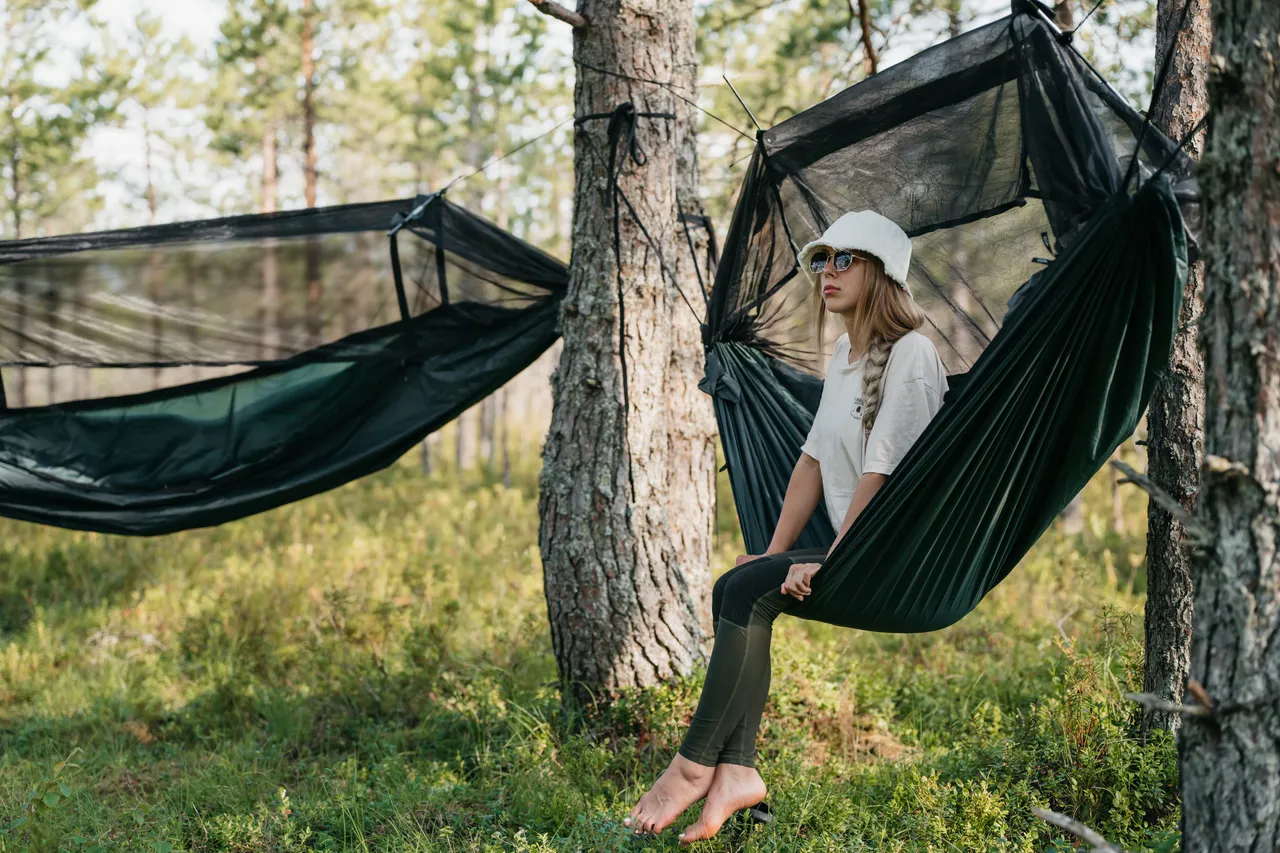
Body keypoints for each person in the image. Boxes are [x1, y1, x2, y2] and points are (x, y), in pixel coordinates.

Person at [624, 210, 949, 843]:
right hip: (850, 542)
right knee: (736, 585)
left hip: (898, 557)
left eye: (842, 260)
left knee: (744, 595)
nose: (825, 273)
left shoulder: (911, 354)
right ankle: (738, 773)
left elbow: (883, 473)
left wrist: (833, 561)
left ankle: (692, 767)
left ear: (880, 272)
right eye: (820, 261)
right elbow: (813, 458)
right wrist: (772, 551)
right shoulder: (845, 352)